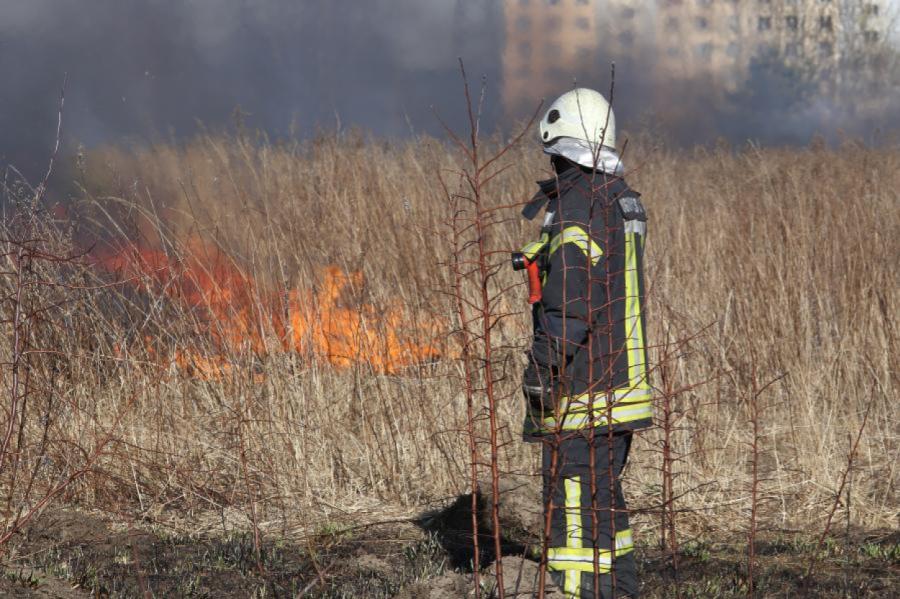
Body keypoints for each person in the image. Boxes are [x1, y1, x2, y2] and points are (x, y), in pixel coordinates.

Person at [518, 88, 652, 598]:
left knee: (574, 534)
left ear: (562, 147)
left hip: (583, 396)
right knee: (604, 520)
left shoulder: (580, 206)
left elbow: (571, 301)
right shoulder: (619, 199)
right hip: (619, 392)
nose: (548, 165)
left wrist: (541, 370)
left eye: (551, 155)